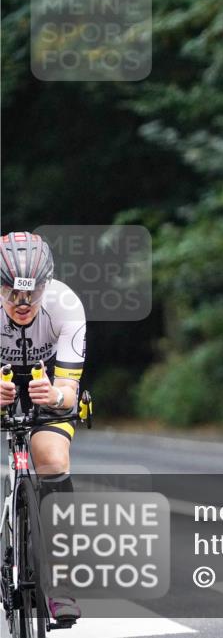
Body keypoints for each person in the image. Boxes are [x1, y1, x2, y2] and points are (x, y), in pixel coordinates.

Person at [0, 231, 86, 623]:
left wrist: (53, 397)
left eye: (31, 294)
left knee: (51, 456)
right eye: (10, 293)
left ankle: (62, 582)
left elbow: (70, 391)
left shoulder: (66, 304)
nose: (21, 304)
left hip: (47, 383)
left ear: (46, 285)